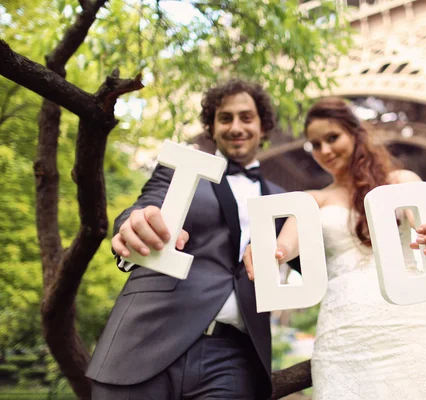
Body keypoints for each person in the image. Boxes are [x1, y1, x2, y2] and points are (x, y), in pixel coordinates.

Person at [244, 97, 426, 399]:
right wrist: (264, 253)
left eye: (332, 138)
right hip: (343, 339)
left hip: (414, 330)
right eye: (315, 144)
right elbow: (283, 247)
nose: (324, 150)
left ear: (355, 134)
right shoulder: (311, 201)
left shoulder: (400, 183)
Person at [86, 79, 299, 400]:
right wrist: (136, 224)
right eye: (225, 118)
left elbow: (313, 263)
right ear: (211, 128)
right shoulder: (178, 172)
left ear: (263, 126)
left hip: (234, 359)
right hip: (148, 340)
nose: (236, 126)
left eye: (246, 117)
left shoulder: (286, 201)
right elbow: (147, 206)